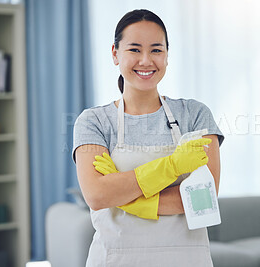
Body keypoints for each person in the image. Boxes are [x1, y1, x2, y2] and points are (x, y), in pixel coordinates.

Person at [73, 9, 224, 266]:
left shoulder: (195, 114)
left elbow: (204, 198)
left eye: (156, 50)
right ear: (115, 54)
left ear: (167, 55)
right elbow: (97, 196)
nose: (146, 60)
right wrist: (173, 166)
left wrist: (125, 198)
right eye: (134, 49)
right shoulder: (93, 122)